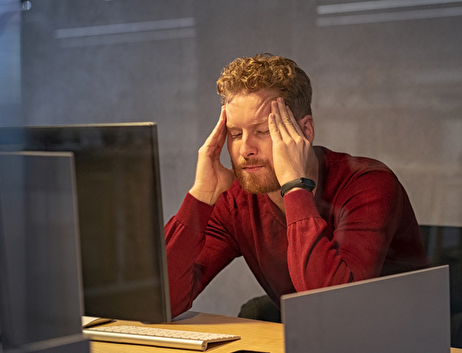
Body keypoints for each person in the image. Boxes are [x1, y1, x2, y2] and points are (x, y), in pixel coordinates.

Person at [164, 53, 429, 319]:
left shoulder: (369, 184)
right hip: (312, 334)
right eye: (235, 134)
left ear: (306, 131)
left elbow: (337, 311)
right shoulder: (236, 201)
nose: (245, 150)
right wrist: (201, 196)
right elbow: (163, 301)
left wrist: (295, 187)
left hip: (396, 335)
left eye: (263, 131)